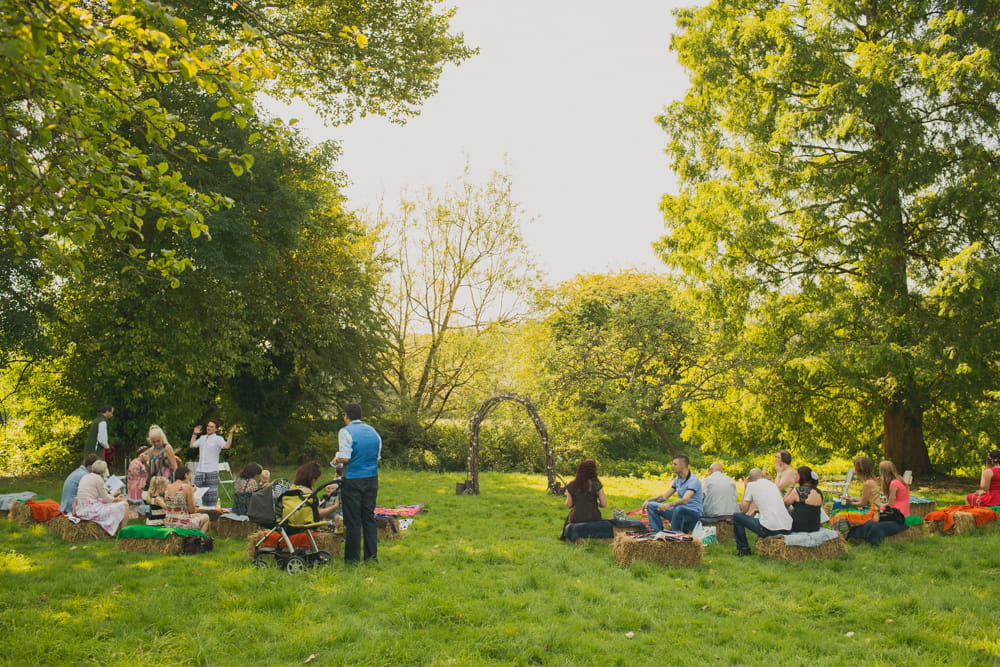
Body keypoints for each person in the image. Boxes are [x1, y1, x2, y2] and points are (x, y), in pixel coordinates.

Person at [331, 403, 382, 564]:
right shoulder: (373, 432)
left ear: (346, 415)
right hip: (372, 478)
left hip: (353, 479)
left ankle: (352, 560)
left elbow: (345, 458)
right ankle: (371, 557)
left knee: (352, 519)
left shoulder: (345, 432)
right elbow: (377, 457)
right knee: (368, 518)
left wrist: (335, 459)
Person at [732, 468, 792, 556]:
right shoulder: (773, 485)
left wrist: (746, 487)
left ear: (750, 479)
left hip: (770, 529)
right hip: (787, 528)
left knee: (737, 517)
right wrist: (757, 510)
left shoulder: (751, 485)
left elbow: (743, 510)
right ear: (762, 475)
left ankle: (743, 549)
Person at [642, 455, 703, 534]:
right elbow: (664, 497)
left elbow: (685, 500)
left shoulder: (693, 480)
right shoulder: (677, 479)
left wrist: (669, 505)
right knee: (651, 505)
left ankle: (674, 537)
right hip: (679, 513)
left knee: (679, 508)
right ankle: (658, 534)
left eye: (675, 464)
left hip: (693, 515)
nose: (672, 466)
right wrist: (648, 500)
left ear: (683, 466)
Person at [189, 418, 237, 507]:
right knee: (196, 493)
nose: (209, 428)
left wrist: (231, 433)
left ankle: (211, 513)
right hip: (200, 470)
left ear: (216, 429)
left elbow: (226, 446)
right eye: (208, 426)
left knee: (211, 495)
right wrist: (195, 433)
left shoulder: (218, 439)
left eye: (211, 427)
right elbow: (192, 445)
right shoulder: (202, 438)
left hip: (211, 470)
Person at [73, 460, 128, 536]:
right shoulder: (98, 479)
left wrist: (112, 495)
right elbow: (106, 499)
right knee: (124, 504)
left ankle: (115, 530)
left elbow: (97, 494)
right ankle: (123, 532)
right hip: (91, 510)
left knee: (117, 503)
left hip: (82, 508)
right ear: (104, 470)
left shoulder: (86, 476)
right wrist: (118, 499)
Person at [829, 456, 880, 534]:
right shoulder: (872, 481)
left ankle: (841, 536)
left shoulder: (867, 483)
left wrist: (849, 503)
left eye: (855, 468)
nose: (854, 470)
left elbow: (863, 503)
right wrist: (851, 500)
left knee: (840, 514)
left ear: (860, 470)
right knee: (839, 507)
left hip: (870, 514)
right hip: (875, 512)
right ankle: (839, 534)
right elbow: (868, 500)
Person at [284, 461, 340, 526]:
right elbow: (317, 514)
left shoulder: (291, 489)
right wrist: (334, 506)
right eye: (317, 479)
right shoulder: (308, 494)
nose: (317, 481)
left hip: (289, 524)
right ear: (312, 479)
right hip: (305, 525)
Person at [163, 465, 210, 532]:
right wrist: (192, 493)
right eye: (189, 475)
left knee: (198, 515)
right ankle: (200, 540)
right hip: (182, 523)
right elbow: (192, 510)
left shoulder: (168, 487)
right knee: (206, 517)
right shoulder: (187, 488)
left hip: (168, 522)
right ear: (186, 475)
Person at [563, 459, 607, 523]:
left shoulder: (571, 485)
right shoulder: (597, 485)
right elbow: (604, 504)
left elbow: (569, 505)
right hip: (594, 517)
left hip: (577, 517)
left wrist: (567, 494)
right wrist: (596, 503)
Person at [784, 466, 823, 533]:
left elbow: (784, 503)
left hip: (799, 527)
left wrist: (792, 486)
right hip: (815, 527)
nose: (794, 476)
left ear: (801, 476)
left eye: (796, 474)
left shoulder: (798, 491)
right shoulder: (819, 492)